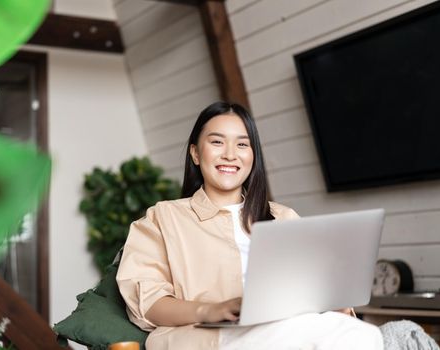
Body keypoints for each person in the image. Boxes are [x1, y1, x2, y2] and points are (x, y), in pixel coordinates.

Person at [116, 101, 383, 349]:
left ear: (253, 156)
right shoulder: (163, 218)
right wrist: (211, 310)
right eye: (217, 142)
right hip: (201, 335)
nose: (230, 154)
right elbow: (148, 304)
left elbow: (316, 290)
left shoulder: (283, 217)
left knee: (366, 333)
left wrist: (334, 304)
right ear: (196, 153)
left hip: (286, 327)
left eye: (242, 145)